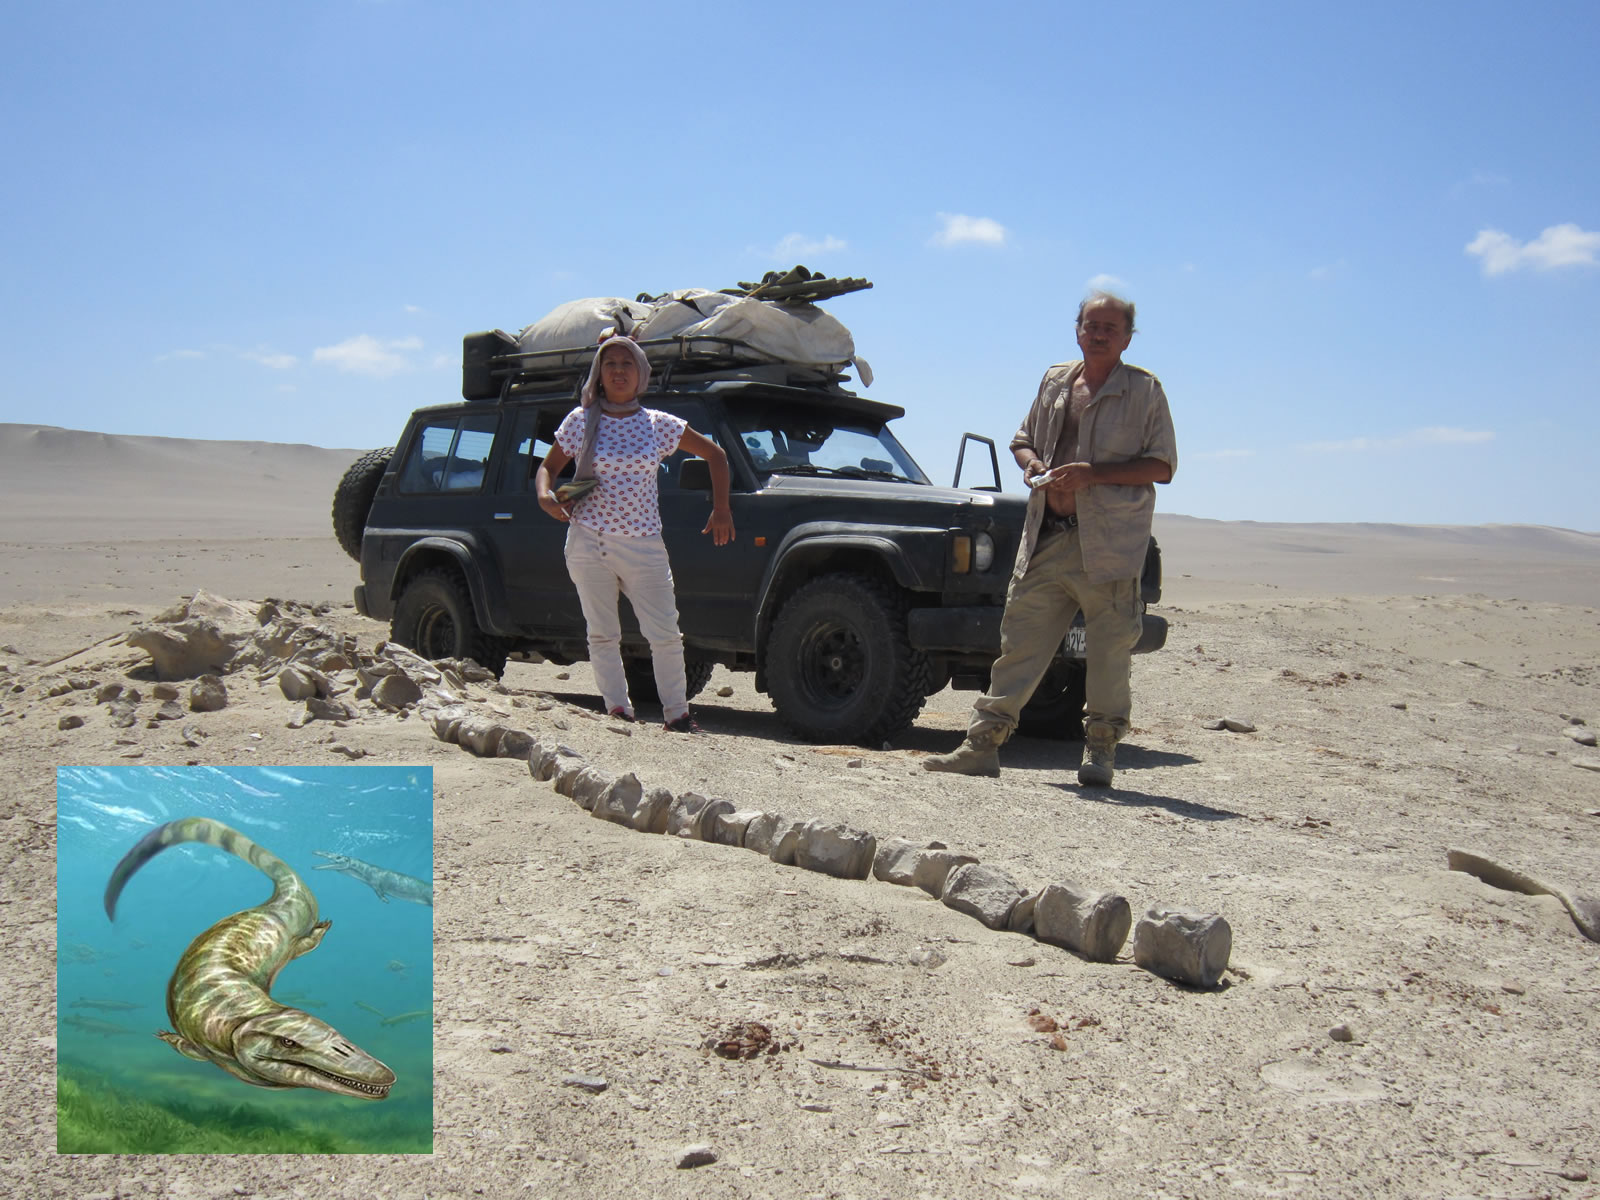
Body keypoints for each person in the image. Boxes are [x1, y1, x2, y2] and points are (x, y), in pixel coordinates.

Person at [924, 292, 1177, 786]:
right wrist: (1033, 466)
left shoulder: (1144, 391)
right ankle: (981, 746)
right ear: (1077, 329)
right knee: (1018, 646)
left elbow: (1162, 467)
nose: (1099, 333)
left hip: (1107, 546)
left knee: (1108, 653)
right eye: (1091, 324)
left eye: (1110, 327)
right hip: (1047, 536)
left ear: (1127, 336)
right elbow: (1021, 440)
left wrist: (1093, 474)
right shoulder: (1056, 380)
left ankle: (1100, 753)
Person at [535, 333, 735, 732]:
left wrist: (722, 508)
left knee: (664, 633)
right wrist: (544, 496)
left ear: (641, 373)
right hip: (588, 539)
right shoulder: (581, 420)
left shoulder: (659, 425)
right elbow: (549, 469)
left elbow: (716, 454)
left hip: (643, 542)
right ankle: (617, 709)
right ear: (599, 373)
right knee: (602, 631)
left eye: (627, 363)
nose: (619, 371)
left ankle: (677, 713)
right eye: (610, 364)